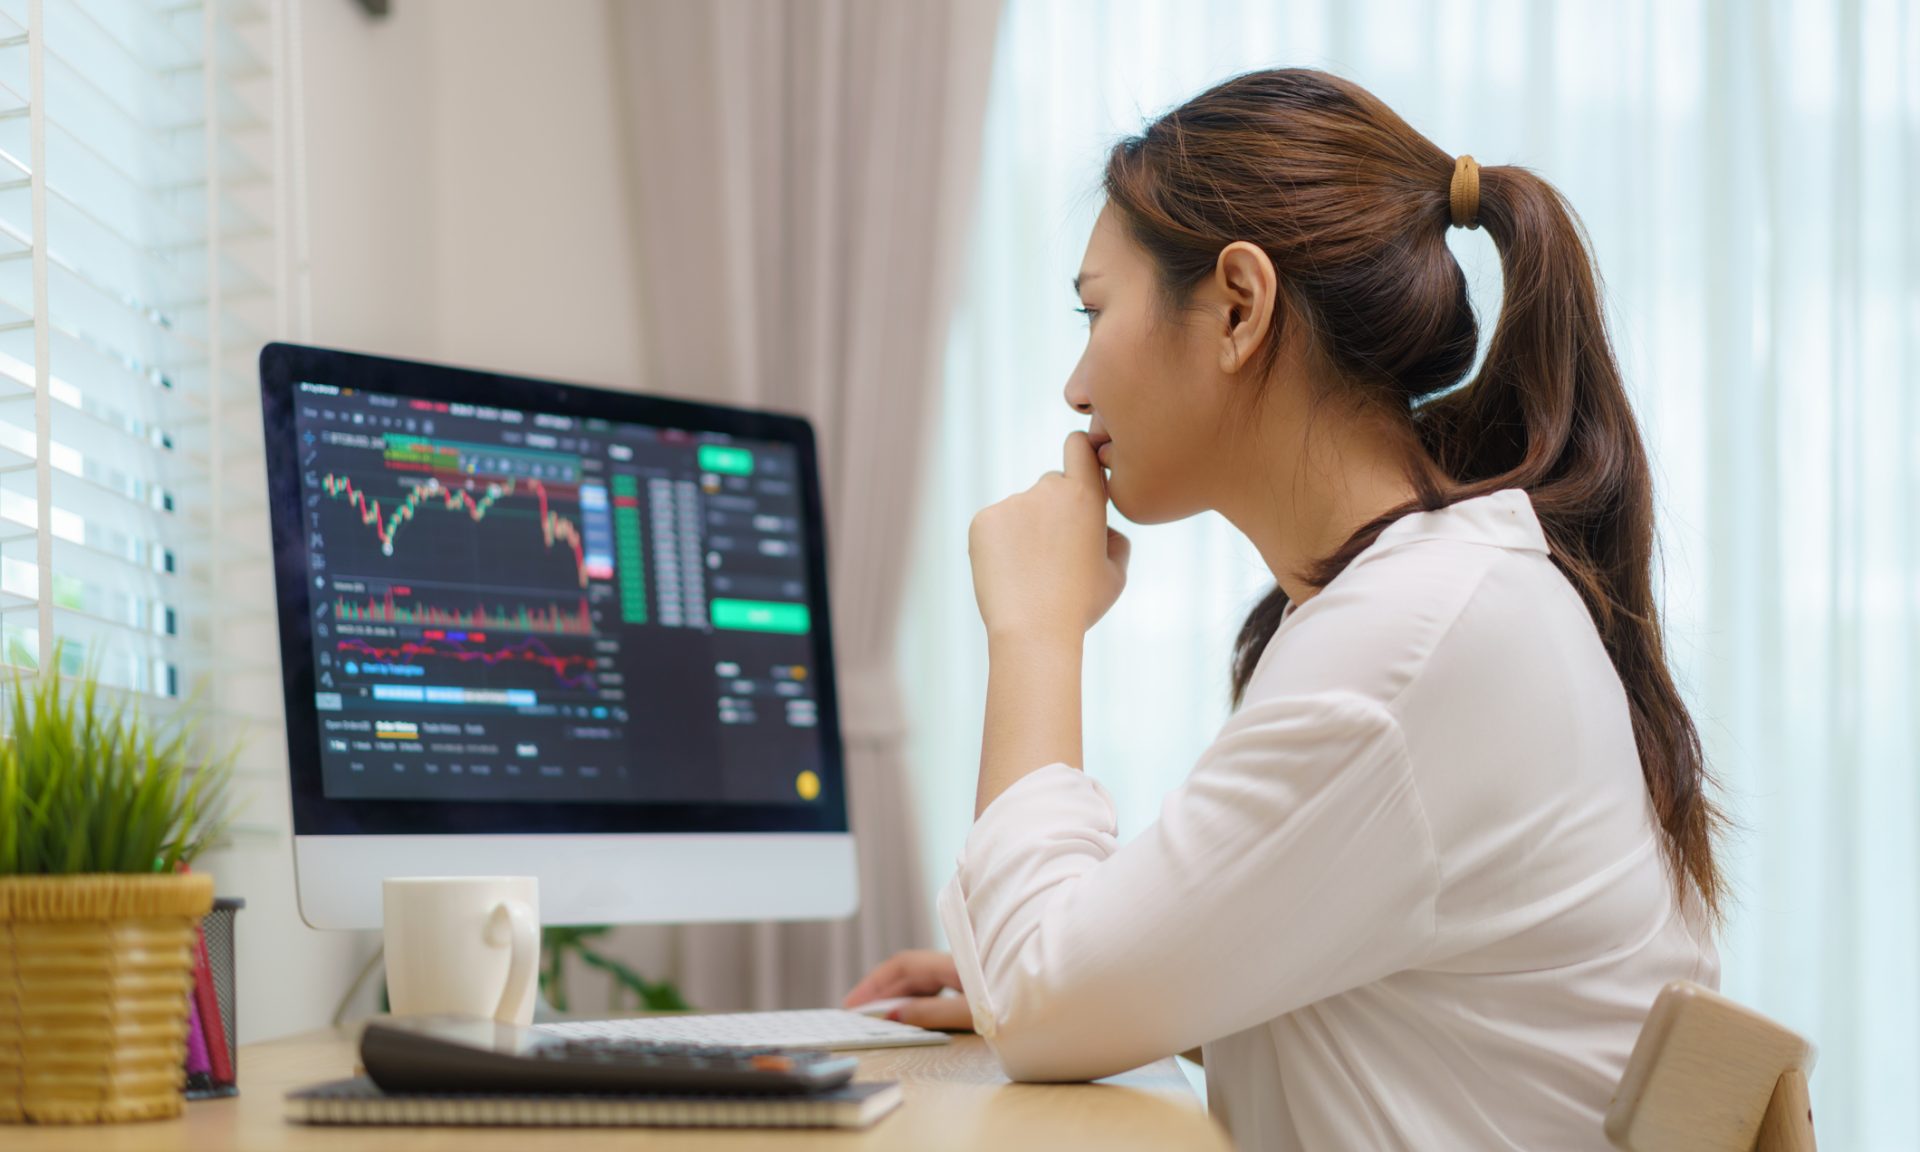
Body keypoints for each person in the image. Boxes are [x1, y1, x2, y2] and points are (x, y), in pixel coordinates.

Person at [844, 68, 1723, 1150]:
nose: (1076, 387)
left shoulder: (1412, 643)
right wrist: (1110, 975)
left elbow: (1037, 995)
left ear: (1239, 306)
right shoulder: (1442, 602)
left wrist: (1035, 627)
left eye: (1095, 312)